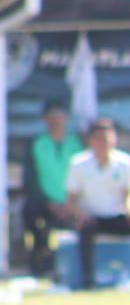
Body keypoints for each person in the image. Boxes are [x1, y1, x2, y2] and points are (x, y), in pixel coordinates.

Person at [63, 118, 130, 291]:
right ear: (91, 141)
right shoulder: (78, 164)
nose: (103, 144)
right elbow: (71, 201)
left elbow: (129, 194)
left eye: (106, 139)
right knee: (85, 228)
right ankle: (88, 279)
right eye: (99, 139)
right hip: (91, 218)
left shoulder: (125, 162)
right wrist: (80, 214)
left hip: (116, 216)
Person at [22, 100, 83, 275]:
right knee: (30, 211)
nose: (56, 120)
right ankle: (41, 254)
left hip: (72, 202)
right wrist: (49, 203)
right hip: (45, 203)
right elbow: (30, 179)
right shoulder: (37, 144)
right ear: (44, 119)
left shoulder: (76, 144)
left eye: (60, 116)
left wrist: (70, 203)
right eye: (51, 116)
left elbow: (82, 178)